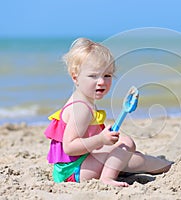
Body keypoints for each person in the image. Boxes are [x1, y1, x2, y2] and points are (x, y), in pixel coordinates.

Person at [44, 38, 172, 187]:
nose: (101, 82)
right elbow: (69, 147)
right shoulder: (81, 109)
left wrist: (103, 136)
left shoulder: (82, 99)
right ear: (75, 77)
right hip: (75, 171)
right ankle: (108, 178)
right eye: (93, 76)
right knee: (130, 150)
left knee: (128, 152)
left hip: (74, 166)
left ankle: (162, 165)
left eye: (107, 75)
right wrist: (100, 139)